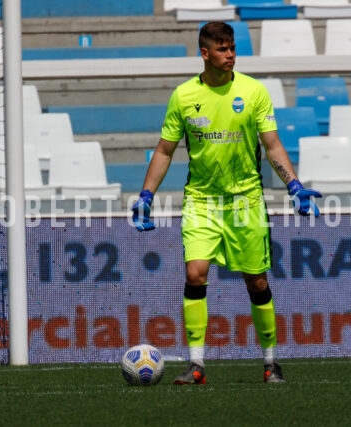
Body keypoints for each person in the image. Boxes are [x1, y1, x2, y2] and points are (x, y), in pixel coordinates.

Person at [132, 21, 321, 385]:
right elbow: (165, 150)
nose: (230, 54)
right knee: (195, 273)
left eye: (232, 47)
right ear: (205, 53)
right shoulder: (184, 96)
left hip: (246, 201)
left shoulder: (253, 92)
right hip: (202, 200)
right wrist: (146, 196)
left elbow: (272, 145)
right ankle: (196, 365)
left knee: (257, 283)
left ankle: (270, 364)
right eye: (222, 49)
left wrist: (294, 186)